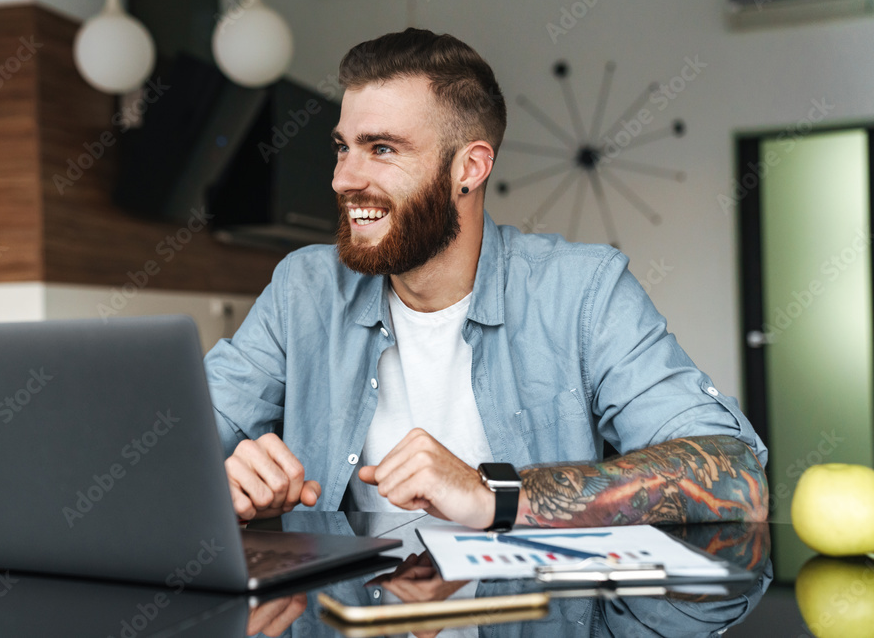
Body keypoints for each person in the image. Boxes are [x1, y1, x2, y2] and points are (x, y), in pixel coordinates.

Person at [205, 28, 768, 531]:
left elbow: (735, 478)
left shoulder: (582, 292)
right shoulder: (304, 288)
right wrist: (220, 472)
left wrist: (495, 495)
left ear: (469, 169)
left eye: (381, 149)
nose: (343, 179)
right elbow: (168, 440)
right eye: (343, 147)